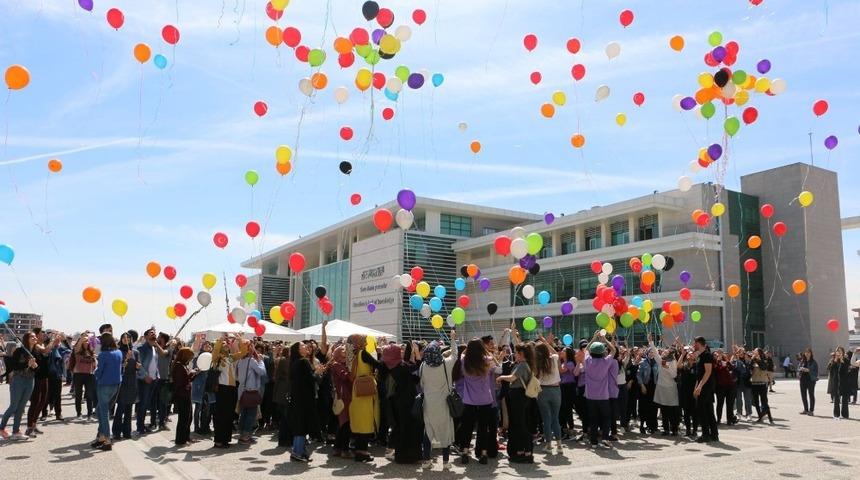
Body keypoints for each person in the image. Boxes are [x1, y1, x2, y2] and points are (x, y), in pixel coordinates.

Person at [458, 337, 500, 465]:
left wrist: (468, 349)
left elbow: (462, 354)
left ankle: (465, 451)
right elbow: (498, 368)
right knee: (483, 428)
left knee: (467, 427)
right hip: (485, 399)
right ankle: (483, 454)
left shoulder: (464, 361)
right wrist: (487, 352)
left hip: (469, 400)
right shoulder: (488, 360)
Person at [420, 340, 456, 469]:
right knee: (445, 431)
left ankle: (426, 461)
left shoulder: (423, 366)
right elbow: (455, 355)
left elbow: (422, 384)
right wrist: (452, 339)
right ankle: (446, 462)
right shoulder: (446, 364)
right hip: (444, 403)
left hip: (429, 404)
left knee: (428, 432)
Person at [496, 342, 534, 463]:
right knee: (519, 424)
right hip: (519, 396)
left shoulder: (523, 365)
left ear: (521, 354)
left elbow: (512, 378)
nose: (514, 354)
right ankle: (521, 452)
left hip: (519, 396)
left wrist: (501, 377)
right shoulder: (523, 364)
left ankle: (527, 453)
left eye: (516, 353)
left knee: (521, 425)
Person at [385, 342, 423, 464]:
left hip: (397, 402)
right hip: (407, 402)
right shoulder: (401, 367)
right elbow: (418, 366)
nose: (401, 351)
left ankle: (402, 456)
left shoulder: (392, 366)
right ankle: (409, 456)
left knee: (402, 428)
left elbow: (413, 378)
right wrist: (417, 353)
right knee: (409, 429)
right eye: (399, 350)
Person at [346, 334, 380, 462]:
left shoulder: (356, 355)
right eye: (364, 340)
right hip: (365, 389)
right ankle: (363, 451)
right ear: (359, 342)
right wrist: (380, 355)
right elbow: (377, 364)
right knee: (366, 419)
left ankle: (359, 450)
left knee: (360, 420)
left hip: (358, 389)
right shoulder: (363, 354)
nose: (366, 342)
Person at [582, 330, 618, 449]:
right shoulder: (606, 361)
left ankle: (593, 442)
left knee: (593, 419)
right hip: (603, 396)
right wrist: (605, 340)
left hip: (590, 396)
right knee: (606, 418)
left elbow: (585, 350)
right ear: (603, 352)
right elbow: (613, 350)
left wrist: (593, 338)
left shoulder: (587, 361)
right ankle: (605, 438)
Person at [0, 333, 39, 441]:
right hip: (18, 380)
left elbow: (37, 369)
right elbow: (13, 366)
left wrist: (35, 366)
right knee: (14, 406)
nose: (35, 338)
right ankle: (1, 428)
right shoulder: (19, 351)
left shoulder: (35, 352)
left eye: (35, 336)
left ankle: (16, 431)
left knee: (21, 407)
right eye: (32, 336)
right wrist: (27, 364)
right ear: (26, 339)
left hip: (30, 380)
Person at [288, 341, 319, 462]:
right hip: (305, 399)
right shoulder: (304, 361)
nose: (306, 347)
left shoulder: (294, 362)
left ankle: (297, 451)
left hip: (297, 398)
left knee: (299, 425)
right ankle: (298, 452)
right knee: (302, 425)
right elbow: (311, 379)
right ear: (298, 350)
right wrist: (317, 373)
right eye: (302, 346)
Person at [93, 333, 122, 451]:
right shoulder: (119, 353)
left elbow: (99, 372)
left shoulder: (103, 355)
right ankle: (101, 437)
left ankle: (107, 439)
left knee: (103, 413)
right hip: (116, 385)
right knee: (100, 410)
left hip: (104, 385)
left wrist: (95, 369)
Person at [534, 335, 563, 453]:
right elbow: (555, 352)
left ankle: (549, 445)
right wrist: (546, 342)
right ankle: (560, 446)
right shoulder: (554, 358)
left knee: (546, 419)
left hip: (543, 391)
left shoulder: (537, 363)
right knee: (555, 418)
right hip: (556, 390)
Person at [212, 334, 242, 448]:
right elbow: (214, 352)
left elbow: (242, 353)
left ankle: (226, 439)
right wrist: (221, 339)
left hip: (231, 388)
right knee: (220, 414)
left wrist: (240, 340)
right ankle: (218, 440)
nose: (226, 345)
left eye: (227, 344)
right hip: (222, 388)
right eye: (223, 344)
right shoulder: (217, 357)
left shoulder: (230, 357)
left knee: (229, 414)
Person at [26, 328, 56, 436]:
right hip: (37, 377)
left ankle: (34, 424)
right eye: (42, 333)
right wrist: (53, 339)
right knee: (35, 402)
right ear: (37, 335)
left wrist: (55, 341)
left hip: (45, 376)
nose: (44, 334)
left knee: (43, 401)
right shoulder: (36, 346)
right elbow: (45, 351)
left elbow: (48, 350)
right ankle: (29, 427)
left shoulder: (43, 344)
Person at [236, 340, 266, 444]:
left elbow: (237, 376)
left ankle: (242, 434)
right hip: (251, 391)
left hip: (242, 391)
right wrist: (261, 361)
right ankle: (246, 436)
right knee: (250, 415)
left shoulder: (240, 361)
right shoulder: (252, 361)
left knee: (244, 413)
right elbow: (262, 372)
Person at [112, 332, 140, 441]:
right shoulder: (118, 352)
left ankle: (127, 432)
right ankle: (116, 432)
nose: (126, 339)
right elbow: (119, 367)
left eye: (128, 338)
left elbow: (138, 365)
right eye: (123, 337)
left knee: (129, 408)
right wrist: (126, 359)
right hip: (123, 381)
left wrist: (138, 366)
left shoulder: (136, 352)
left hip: (132, 381)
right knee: (121, 408)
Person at [329, 344, 353, 458]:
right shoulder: (336, 365)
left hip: (348, 396)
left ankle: (337, 448)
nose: (345, 352)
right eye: (343, 351)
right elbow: (345, 377)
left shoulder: (344, 364)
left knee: (344, 424)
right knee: (345, 424)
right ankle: (344, 449)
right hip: (343, 397)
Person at [692, 336, 718, 442]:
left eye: (695, 343)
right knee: (708, 410)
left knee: (702, 410)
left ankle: (706, 434)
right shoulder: (700, 356)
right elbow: (699, 374)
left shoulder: (707, 355)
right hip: (703, 386)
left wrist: (700, 387)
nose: (694, 345)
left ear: (699, 344)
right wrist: (696, 387)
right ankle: (714, 434)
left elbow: (708, 372)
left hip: (706, 387)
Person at [653, 344, 679, 436]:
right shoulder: (661, 360)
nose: (663, 352)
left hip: (671, 389)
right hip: (662, 388)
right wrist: (651, 342)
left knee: (672, 410)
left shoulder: (673, 361)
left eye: (666, 351)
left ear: (670, 354)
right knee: (664, 410)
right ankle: (666, 429)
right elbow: (655, 353)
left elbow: (674, 375)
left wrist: (667, 367)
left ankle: (674, 429)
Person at [172, 347, 196, 445]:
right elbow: (181, 381)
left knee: (188, 417)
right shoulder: (178, 366)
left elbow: (188, 379)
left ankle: (186, 437)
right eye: (190, 356)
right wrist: (190, 374)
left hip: (186, 394)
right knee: (183, 418)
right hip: (182, 395)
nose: (190, 359)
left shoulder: (183, 365)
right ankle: (180, 440)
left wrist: (194, 374)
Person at [636, 336, 658, 435]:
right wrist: (642, 385)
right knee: (643, 407)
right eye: (650, 352)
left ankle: (652, 426)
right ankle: (642, 425)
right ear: (647, 353)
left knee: (653, 407)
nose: (652, 354)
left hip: (654, 387)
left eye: (653, 352)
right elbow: (638, 375)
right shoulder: (643, 362)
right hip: (645, 386)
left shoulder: (657, 363)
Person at [750, 348, 774, 425]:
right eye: (754, 351)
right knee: (756, 401)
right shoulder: (752, 359)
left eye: (755, 351)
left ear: (759, 352)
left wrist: (758, 360)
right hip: (754, 383)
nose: (754, 352)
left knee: (764, 401)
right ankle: (760, 416)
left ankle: (770, 418)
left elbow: (763, 367)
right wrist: (752, 360)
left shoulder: (764, 359)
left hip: (762, 383)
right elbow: (750, 368)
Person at [714, 349, 737, 425]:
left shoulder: (726, 361)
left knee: (730, 403)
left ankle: (729, 419)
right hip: (720, 386)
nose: (720, 354)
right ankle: (719, 419)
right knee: (720, 403)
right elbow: (715, 369)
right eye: (718, 353)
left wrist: (727, 361)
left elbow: (732, 368)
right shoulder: (715, 362)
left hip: (730, 385)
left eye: (721, 353)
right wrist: (718, 361)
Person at [558, 346, 577, 439]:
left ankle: (571, 429)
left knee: (568, 408)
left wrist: (557, 360)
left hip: (569, 387)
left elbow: (561, 371)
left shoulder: (570, 363)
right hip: (563, 387)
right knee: (563, 409)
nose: (562, 352)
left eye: (564, 351)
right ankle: (565, 429)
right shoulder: (563, 362)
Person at [828, 347, 850, 420]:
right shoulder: (833, 360)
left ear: (843, 352)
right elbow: (829, 369)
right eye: (837, 351)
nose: (839, 353)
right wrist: (834, 361)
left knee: (844, 399)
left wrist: (842, 361)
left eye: (840, 351)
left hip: (844, 382)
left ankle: (845, 415)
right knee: (836, 399)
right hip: (836, 382)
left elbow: (846, 370)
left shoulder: (846, 360)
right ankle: (836, 414)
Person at [798, 348, 818, 415]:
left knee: (811, 395)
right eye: (806, 352)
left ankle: (811, 410)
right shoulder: (802, 361)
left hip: (811, 380)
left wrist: (808, 370)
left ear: (811, 354)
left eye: (809, 352)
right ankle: (805, 409)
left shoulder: (814, 362)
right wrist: (801, 369)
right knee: (803, 395)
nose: (807, 354)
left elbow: (816, 372)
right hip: (802, 380)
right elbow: (798, 368)